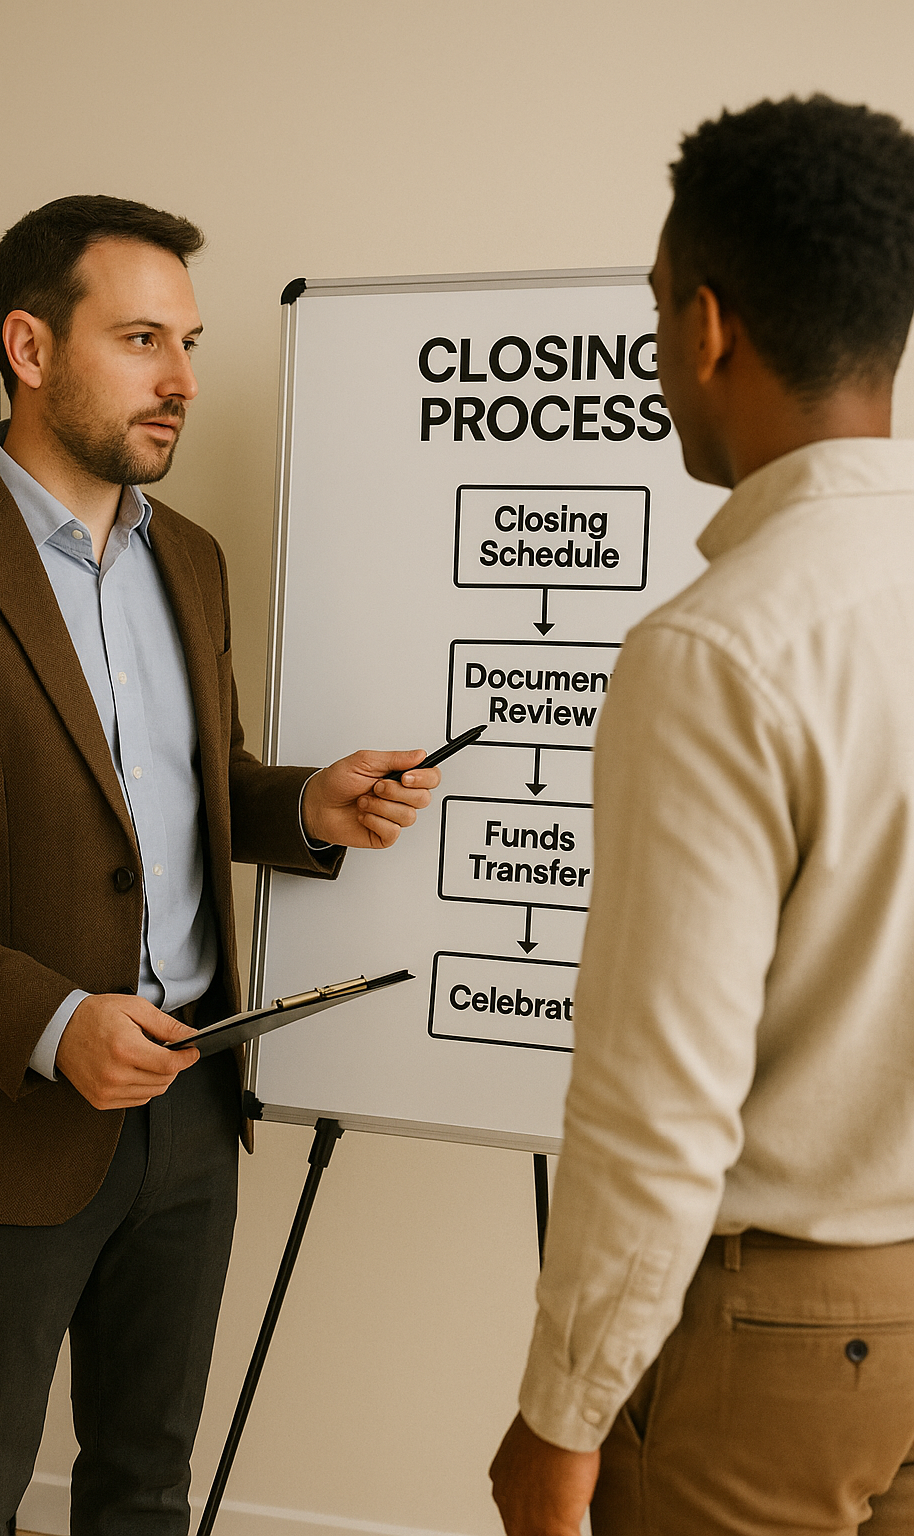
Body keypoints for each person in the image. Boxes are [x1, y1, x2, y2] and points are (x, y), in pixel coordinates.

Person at [0, 195, 440, 1535]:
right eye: (142, 339)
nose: (183, 380)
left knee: (147, 1487)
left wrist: (303, 806)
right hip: (4, 1121)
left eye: (186, 342)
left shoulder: (187, 558)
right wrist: (53, 1023)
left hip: (193, 1106)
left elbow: (177, 802)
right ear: (28, 347)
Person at [490, 94, 914, 1535]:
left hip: (775, 1350)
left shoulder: (717, 649)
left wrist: (560, 1419)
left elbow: (657, 1115)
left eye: (659, 306)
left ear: (708, 326)